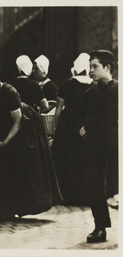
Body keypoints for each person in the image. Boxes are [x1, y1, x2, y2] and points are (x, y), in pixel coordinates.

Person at [0, 57, 61, 221]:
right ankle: (4, 208)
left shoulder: (10, 92)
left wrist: (5, 142)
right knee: (0, 166)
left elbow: (18, 122)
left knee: (18, 165)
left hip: (21, 129)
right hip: (2, 127)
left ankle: (17, 208)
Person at [77, 50, 118, 243]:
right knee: (95, 187)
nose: (90, 70)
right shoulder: (90, 92)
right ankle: (100, 228)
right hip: (95, 148)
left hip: (117, 147)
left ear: (107, 67)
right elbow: (79, 116)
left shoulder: (118, 91)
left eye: (95, 66)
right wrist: (82, 128)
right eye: (90, 66)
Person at [51, 53, 93, 205]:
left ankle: (66, 195)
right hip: (86, 126)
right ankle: (85, 196)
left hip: (67, 126)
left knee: (67, 160)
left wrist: (55, 127)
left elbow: (59, 108)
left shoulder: (68, 83)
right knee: (84, 160)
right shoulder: (93, 84)